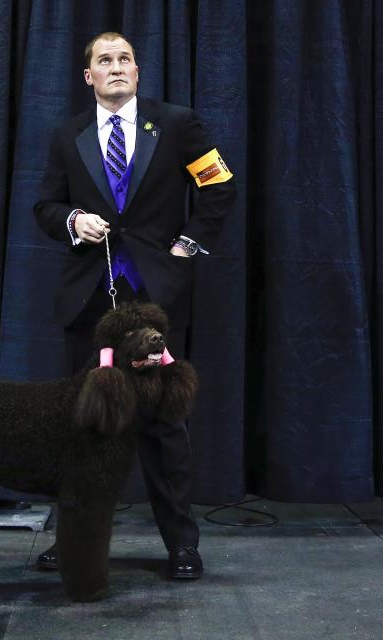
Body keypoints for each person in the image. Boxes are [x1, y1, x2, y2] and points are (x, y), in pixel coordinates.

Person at [33, 31, 236, 580]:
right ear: (88, 77)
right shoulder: (68, 135)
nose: (116, 67)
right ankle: (73, 540)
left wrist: (185, 246)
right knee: (84, 423)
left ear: (137, 72)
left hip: (154, 301)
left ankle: (181, 547)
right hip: (89, 300)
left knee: (161, 425)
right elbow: (45, 205)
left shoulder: (176, 124)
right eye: (105, 60)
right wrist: (73, 221)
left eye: (125, 59)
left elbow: (218, 185)